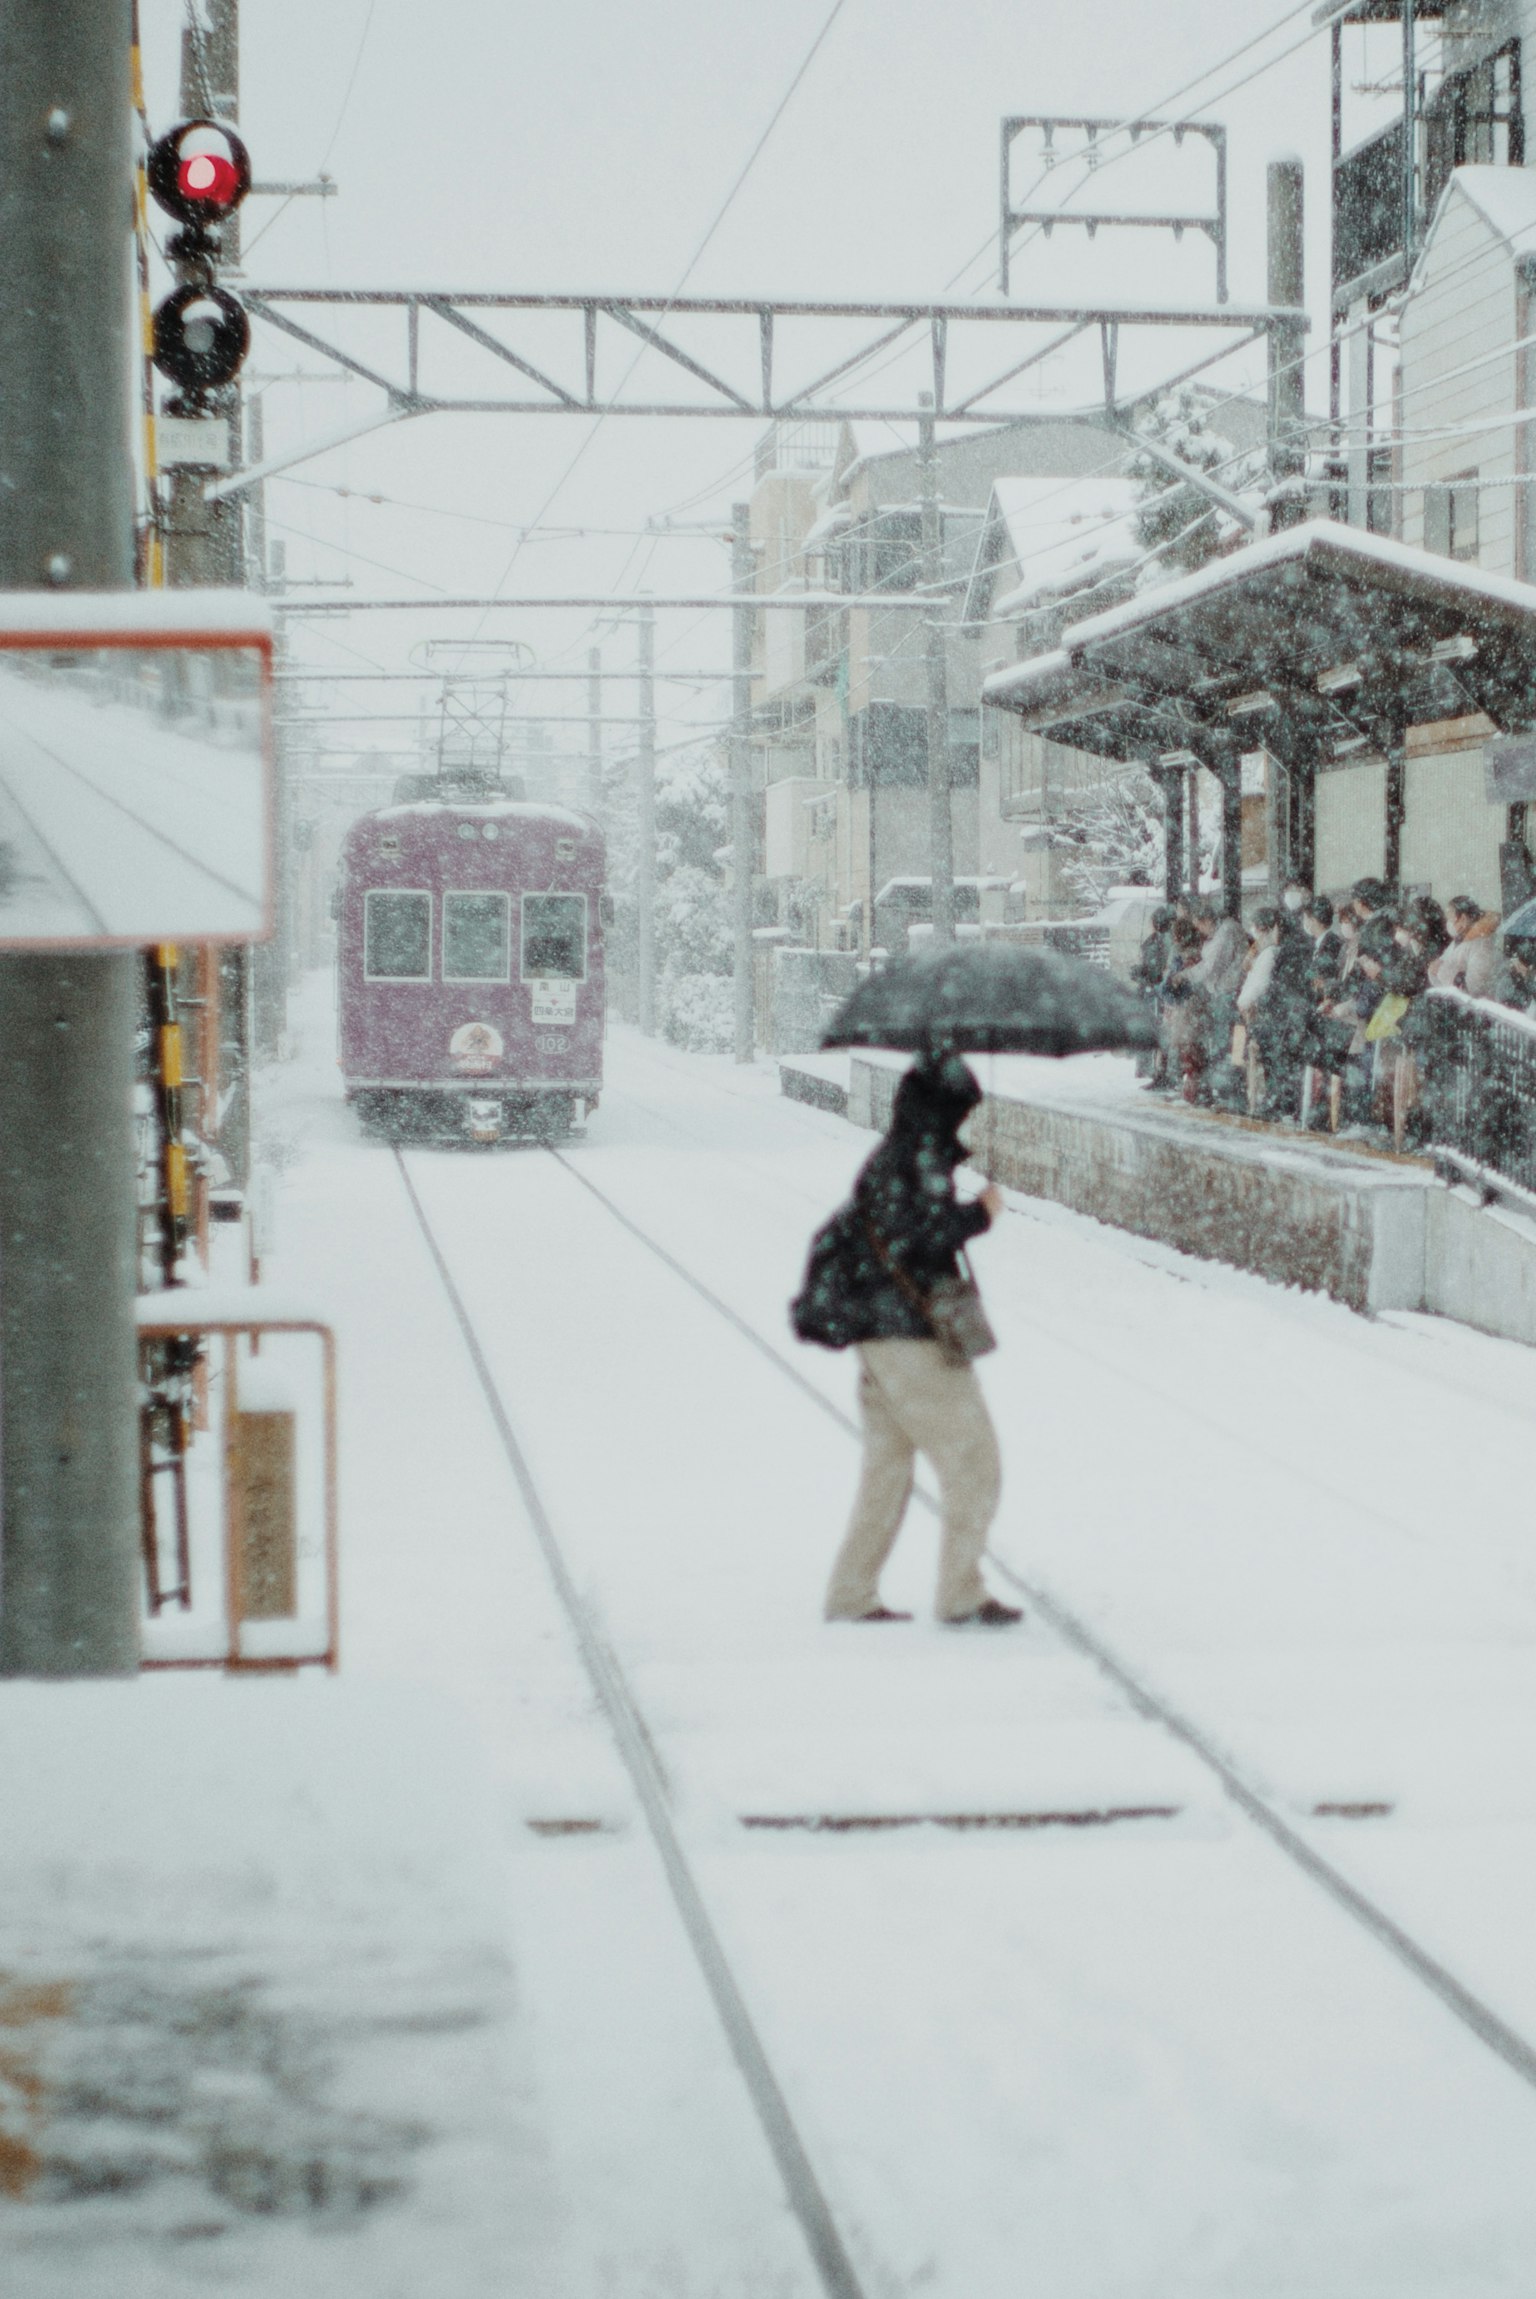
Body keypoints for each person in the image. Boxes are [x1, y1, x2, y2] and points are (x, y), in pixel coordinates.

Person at [797, 1054, 1020, 1628]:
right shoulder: (915, 1161)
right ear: (944, 1111)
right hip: (909, 1338)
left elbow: (898, 1232)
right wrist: (980, 1214)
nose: (964, 1123)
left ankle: (851, 1593)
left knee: (887, 1470)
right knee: (975, 1465)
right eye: (962, 1111)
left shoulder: (896, 1157)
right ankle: (961, 1594)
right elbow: (918, 1238)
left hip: (880, 1336)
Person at [1432, 895, 1500, 998]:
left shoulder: (1482, 946)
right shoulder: (1461, 939)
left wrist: (1442, 971)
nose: (1449, 924)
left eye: (1451, 919)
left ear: (1463, 918)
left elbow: (1475, 989)